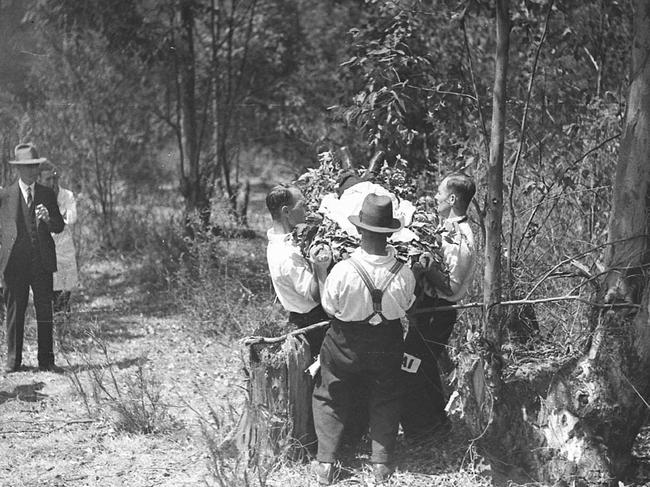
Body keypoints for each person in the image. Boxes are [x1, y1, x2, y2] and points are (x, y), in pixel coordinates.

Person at [312, 193, 416, 485]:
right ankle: (381, 464)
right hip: (387, 342)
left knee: (329, 393)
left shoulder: (343, 270)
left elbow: (330, 308)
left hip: (345, 344)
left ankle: (326, 462)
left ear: (359, 230)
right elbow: (407, 306)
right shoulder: (404, 272)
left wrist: (321, 274)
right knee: (386, 396)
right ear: (390, 233)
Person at [401, 172, 476, 440]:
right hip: (427, 309)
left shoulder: (458, 237)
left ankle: (426, 426)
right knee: (422, 365)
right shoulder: (445, 228)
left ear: (452, 198)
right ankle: (430, 423)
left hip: (437, 312)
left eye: (440, 193)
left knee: (413, 365)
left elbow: (451, 287)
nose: (435, 197)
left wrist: (427, 267)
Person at [1, 143, 64, 373]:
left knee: (45, 311)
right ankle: (13, 361)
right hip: (15, 265)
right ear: (18, 169)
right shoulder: (5, 196)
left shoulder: (47, 194)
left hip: (41, 263)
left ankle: (46, 360)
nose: (31, 171)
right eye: (26, 167)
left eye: (34, 166)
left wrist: (48, 220)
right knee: (15, 311)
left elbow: (59, 227)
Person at [265, 183, 330, 357]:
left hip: (303, 319)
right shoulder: (287, 256)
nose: (307, 209)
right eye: (302, 205)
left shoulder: (278, 238)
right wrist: (319, 265)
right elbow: (315, 294)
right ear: (286, 212)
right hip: (313, 322)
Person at [39, 161, 79, 317]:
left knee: (65, 287)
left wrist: (56, 213)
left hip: (64, 246)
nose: (52, 182)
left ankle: (63, 331)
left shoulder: (66, 195)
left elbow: (71, 217)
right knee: (49, 290)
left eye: (54, 178)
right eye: (48, 179)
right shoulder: (37, 195)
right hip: (46, 247)